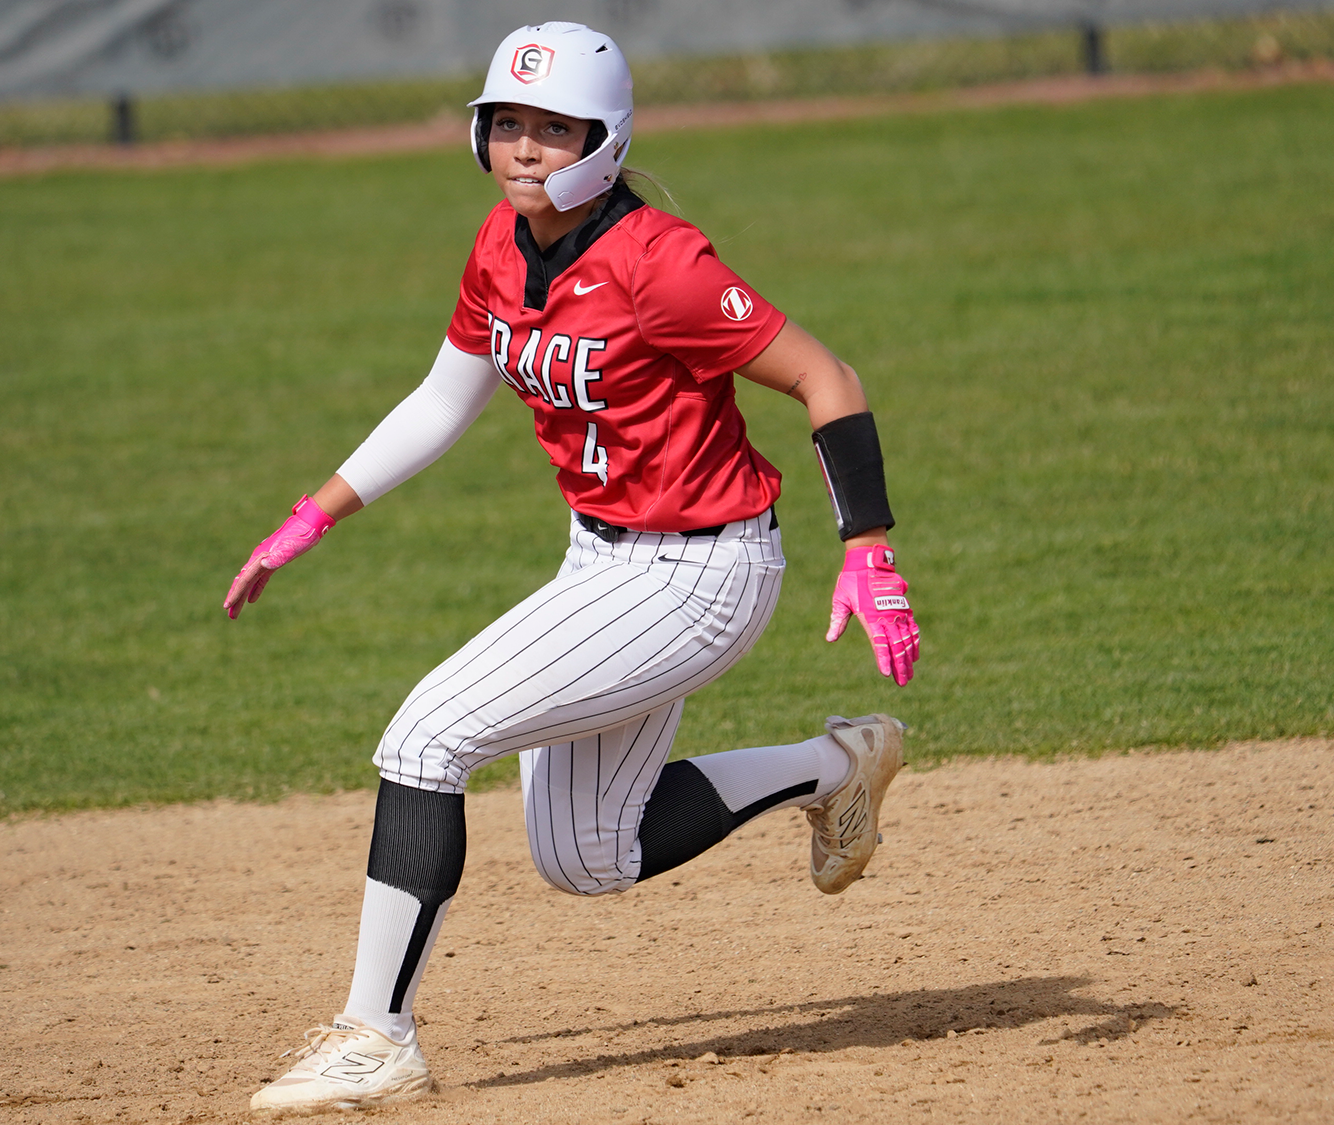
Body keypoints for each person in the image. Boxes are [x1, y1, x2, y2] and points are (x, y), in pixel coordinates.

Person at [222, 21, 920, 1116]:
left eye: (555, 128)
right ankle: (835, 768)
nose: (526, 147)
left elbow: (828, 379)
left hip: (700, 576)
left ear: (605, 138)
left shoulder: (660, 262)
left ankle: (376, 1038)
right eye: (507, 122)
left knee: (424, 737)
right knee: (589, 856)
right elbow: (442, 399)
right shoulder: (500, 247)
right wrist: (311, 516)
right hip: (599, 563)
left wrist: (866, 549)